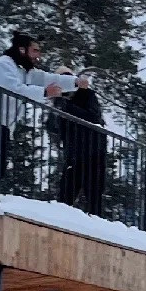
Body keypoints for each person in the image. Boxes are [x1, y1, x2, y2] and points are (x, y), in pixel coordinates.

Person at [0, 33, 87, 195]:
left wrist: (74, 82)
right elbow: (15, 89)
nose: (38, 55)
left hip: (3, 123)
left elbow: (48, 78)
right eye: (35, 51)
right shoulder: (4, 65)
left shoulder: (25, 70)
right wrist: (45, 92)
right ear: (22, 50)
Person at [53, 80, 111, 216]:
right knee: (64, 198)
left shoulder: (86, 94)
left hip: (94, 155)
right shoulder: (60, 103)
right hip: (74, 157)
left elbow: (94, 117)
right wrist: (57, 113)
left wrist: (68, 108)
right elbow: (55, 128)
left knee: (94, 198)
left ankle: (96, 230)